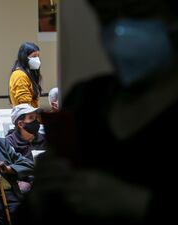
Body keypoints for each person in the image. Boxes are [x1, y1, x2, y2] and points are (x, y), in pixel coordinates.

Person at [15, 0, 178, 224]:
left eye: (138, 11)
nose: (120, 29)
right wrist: (41, 194)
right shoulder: (86, 99)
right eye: (107, 16)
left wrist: (136, 203)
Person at [6, 104, 46, 193]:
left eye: (36, 117)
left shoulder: (45, 139)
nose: (36, 121)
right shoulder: (8, 143)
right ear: (20, 124)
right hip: (25, 185)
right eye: (31, 118)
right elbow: (8, 168)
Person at [9, 42, 43, 107]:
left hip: (29, 115)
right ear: (24, 57)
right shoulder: (20, 75)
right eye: (34, 56)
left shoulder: (26, 74)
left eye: (38, 56)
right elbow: (25, 105)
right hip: (26, 116)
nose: (37, 59)